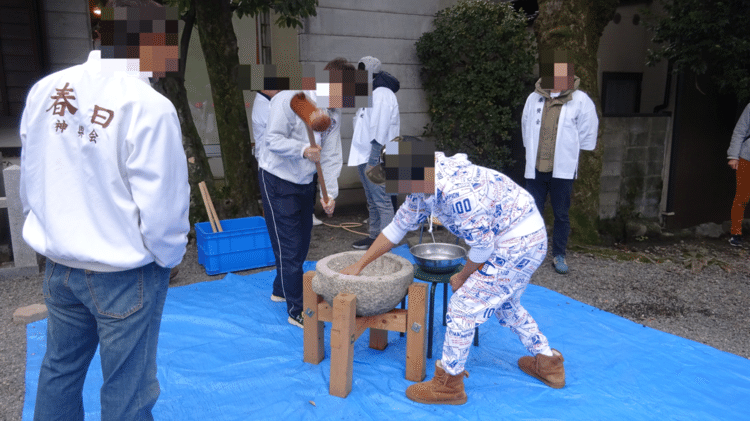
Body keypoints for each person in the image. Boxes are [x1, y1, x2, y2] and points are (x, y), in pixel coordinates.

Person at [19, 1, 190, 419]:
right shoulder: (149, 106)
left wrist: (47, 230)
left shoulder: (47, 90)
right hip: (122, 271)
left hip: (59, 263)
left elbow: (32, 176)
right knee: (127, 389)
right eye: (167, 42)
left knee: (60, 369)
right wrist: (168, 259)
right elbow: (163, 206)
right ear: (149, 41)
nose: (172, 55)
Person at [341, 149, 565, 405]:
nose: (395, 189)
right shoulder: (422, 183)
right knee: (506, 305)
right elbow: (396, 228)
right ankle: (548, 362)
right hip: (517, 234)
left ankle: (449, 385)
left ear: (409, 176)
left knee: (462, 307)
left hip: (518, 241)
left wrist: (462, 275)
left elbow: (482, 247)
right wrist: (360, 264)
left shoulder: (457, 192)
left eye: (395, 181)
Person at [258, 62, 343, 325]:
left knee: (303, 239)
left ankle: (281, 289)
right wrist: (303, 149)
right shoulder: (291, 98)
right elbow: (272, 139)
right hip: (277, 176)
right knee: (289, 243)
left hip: (304, 179)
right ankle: (297, 309)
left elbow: (329, 156)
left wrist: (330, 194)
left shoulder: (333, 113)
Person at [521, 50, 598, 274]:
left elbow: (587, 131)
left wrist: (577, 151)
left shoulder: (580, 100)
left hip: (561, 169)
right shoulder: (534, 97)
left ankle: (559, 254)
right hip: (536, 167)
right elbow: (526, 125)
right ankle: (529, 253)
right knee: (532, 211)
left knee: (561, 214)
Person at [348, 56, 400, 249]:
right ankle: (374, 237)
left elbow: (380, 127)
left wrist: (373, 158)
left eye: (363, 70)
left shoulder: (382, 93)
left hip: (377, 156)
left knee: (382, 200)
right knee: (372, 199)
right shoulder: (371, 92)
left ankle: (385, 243)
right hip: (365, 154)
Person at [727, 102, 750, 247]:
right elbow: (740, 130)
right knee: (742, 196)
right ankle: (735, 233)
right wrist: (733, 156)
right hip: (747, 157)